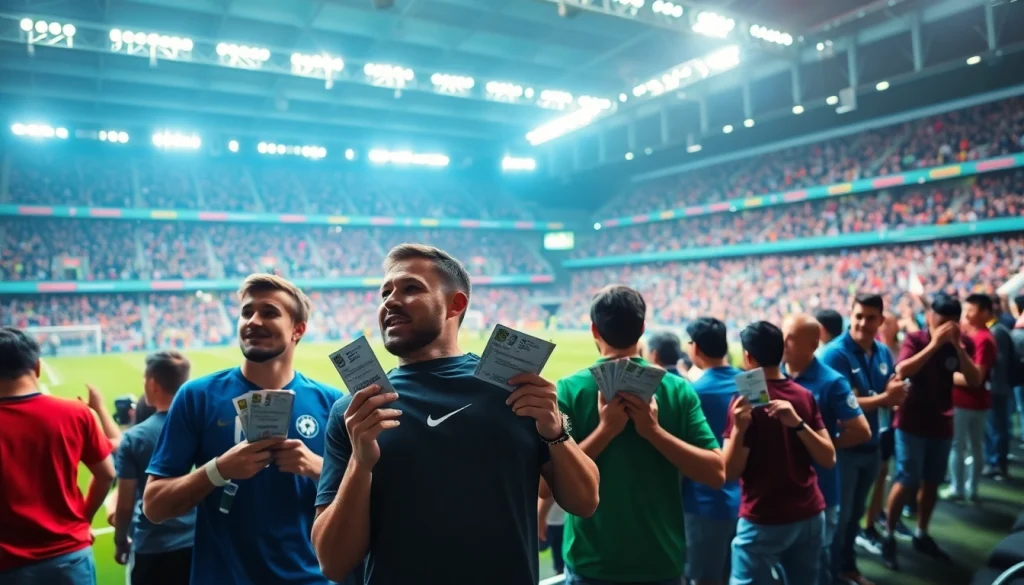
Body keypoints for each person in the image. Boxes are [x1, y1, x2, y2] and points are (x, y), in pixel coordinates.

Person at [312, 244, 600, 585]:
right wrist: (361, 463)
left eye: (411, 288)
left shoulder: (518, 391)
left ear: (456, 304)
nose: (389, 300)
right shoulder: (356, 411)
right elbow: (332, 561)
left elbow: (585, 502)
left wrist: (555, 430)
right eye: (385, 292)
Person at [143, 274, 345, 585]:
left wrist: (318, 468)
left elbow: (370, 502)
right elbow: (154, 507)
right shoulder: (198, 396)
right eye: (247, 312)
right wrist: (219, 469)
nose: (253, 321)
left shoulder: (331, 403)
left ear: (298, 330)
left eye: (270, 312)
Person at [551, 286, 723, 585]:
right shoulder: (676, 389)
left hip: (592, 562)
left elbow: (544, 486)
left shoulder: (569, 389)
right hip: (660, 560)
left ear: (594, 329)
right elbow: (716, 472)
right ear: (643, 328)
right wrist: (647, 432)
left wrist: (638, 431)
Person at [0, 327, 116, 585]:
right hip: (69, 556)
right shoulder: (76, 413)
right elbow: (107, 474)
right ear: (38, 367)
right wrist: (84, 520)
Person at [723, 321, 835, 585]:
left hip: (764, 517)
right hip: (810, 513)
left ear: (748, 357)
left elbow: (728, 472)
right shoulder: (803, 395)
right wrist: (798, 423)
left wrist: (739, 429)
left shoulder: (743, 403)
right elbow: (829, 458)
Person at [881, 294, 984, 570]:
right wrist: (936, 343)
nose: (945, 327)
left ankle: (921, 533)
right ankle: (889, 536)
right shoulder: (916, 339)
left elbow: (975, 380)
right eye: (941, 321)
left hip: (941, 422)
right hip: (910, 422)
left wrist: (959, 349)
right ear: (930, 318)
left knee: (932, 482)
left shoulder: (963, 344)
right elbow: (902, 370)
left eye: (951, 322)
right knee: (906, 478)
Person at [819, 294, 904, 585]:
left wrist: (878, 397)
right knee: (839, 519)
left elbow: (882, 394)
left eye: (870, 317)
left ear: (881, 320)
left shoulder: (881, 352)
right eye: (858, 316)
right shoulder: (834, 354)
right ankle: (830, 576)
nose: (862, 323)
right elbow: (843, 403)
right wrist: (882, 397)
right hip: (844, 449)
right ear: (850, 316)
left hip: (872, 445)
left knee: (854, 515)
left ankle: (847, 569)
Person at [782, 314, 871, 585]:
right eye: (783, 336)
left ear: (812, 344)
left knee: (817, 564)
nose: (783, 344)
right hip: (784, 490)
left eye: (790, 339)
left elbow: (861, 430)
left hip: (820, 491)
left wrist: (820, 444)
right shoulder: (775, 376)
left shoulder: (832, 382)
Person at [114, 351, 196, 585]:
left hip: (154, 547)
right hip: (198, 543)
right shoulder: (203, 427)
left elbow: (125, 503)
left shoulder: (134, 438)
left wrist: (121, 540)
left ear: (151, 383)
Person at [683, 317, 743, 585]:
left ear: (695, 347)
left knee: (703, 577)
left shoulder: (693, 392)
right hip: (746, 500)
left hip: (703, 503)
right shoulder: (749, 385)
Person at [943, 294, 996, 503]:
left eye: (971, 309)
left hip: (968, 402)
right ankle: (968, 489)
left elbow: (977, 378)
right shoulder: (970, 335)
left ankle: (961, 488)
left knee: (964, 445)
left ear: (985, 312)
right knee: (972, 446)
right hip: (970, 402)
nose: (967, 313)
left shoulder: (983, 339)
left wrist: (946, 375)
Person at [984, 295, 1015, 481]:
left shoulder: (997, 332)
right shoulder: (997, 330)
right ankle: (996, 462)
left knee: (996, 427)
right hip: (998, 386)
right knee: (996, 427)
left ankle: (997, 463)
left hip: (996, 387)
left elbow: (999, 361)